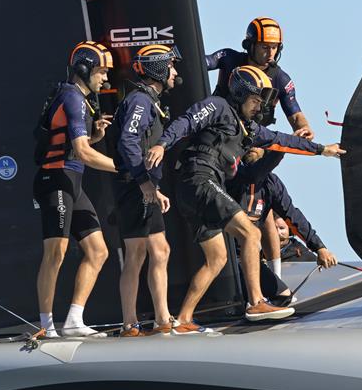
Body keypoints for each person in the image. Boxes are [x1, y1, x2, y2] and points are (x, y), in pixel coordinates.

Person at [145, 66, 343, 329]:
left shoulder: (250, 128)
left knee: (217, 258)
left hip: (197, 189)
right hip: (199, 178)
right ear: (240, 94)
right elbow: (187, 121)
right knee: (251, 234)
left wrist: (322, 150)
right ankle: (256, 302)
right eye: (256, 100)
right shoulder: (218, 106)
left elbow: (283, 140)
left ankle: (183, 320)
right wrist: (162, 143)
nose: (260, 107)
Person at [205, 17, 314, 278]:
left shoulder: (280, 77)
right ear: (249, 45)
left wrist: (305, 129)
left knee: (265, 210)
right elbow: (202, 61)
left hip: (253, 145)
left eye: (275, 47)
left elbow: (295, 113)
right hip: (222, 143)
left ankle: (275, 278)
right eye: (264, 47)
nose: (270, 53)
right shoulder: (229, 58)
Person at [32, 41, 117, 338]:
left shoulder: (81, 99)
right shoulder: (72, 98)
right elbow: (82, 153)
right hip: (55, 180)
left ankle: (73, 321)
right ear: (84, 68)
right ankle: (46, 325)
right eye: (101, 71)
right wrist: (126, 167)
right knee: (56, 252)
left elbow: (78, 147)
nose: (105, 78)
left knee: (98, 251)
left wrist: (94, 136)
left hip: (72, 182)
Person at [112, 44, 181, 337]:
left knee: (151, 251)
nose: (175, 72)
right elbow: (128, 142)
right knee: (143, 252)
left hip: (141, 187)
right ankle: (141, 322)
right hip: (135, 187)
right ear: (159, 70)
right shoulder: (141, 101)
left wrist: (153, 187)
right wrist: (145, 184)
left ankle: (154, 320)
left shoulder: (146, 100)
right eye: (171, 67)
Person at [228, 148, 338, 305]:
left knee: (284, 297)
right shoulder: (232, 177)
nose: (253, 147)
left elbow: (292, 215)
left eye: (258, 144)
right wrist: (283, 148)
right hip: (228, 256)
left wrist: (319, 247)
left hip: (249, 256)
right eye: (249, 144)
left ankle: (271, 282)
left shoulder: (271, 183)